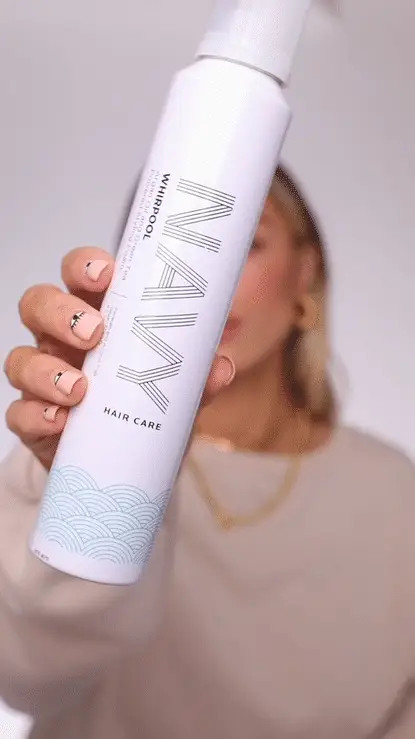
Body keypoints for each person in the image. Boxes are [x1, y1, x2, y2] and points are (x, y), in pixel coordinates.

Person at [1, 165, 414, 739]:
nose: (206, 275)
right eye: (183, 244)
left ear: (305, 272)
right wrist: (84, 478)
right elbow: (23, 676)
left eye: (246, 241)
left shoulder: (393, 496)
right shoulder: (75, 455)